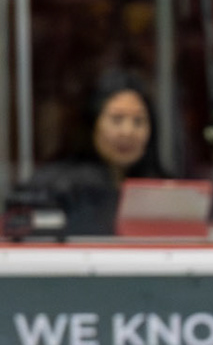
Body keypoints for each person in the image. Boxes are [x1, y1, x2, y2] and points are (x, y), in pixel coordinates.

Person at [37, 70, 168, 237]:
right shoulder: (56, 188)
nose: (127, 132)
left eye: (138, 121)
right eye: (117, 119)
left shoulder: (165, 191)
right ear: (93, 124)